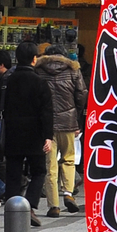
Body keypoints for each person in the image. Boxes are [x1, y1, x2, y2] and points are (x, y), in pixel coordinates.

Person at [0, 44, 51, 223]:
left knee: (13, 172)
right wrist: (48, 136)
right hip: (35, 134)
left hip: (12, 133)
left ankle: (13, 209)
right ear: (34, 58)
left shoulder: (7, 81)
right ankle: (29, 206)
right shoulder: (40, 82)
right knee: (39, 171)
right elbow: (46, 112)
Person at [36, 40, 86, 217]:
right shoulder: (73, 70)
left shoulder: (39, 70)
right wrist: (76, 114)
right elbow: (81, 94)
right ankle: (68, 194)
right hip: (68, 122)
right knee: (69, 159)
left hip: (46, 125)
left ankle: (53, 205)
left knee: (50, 165)